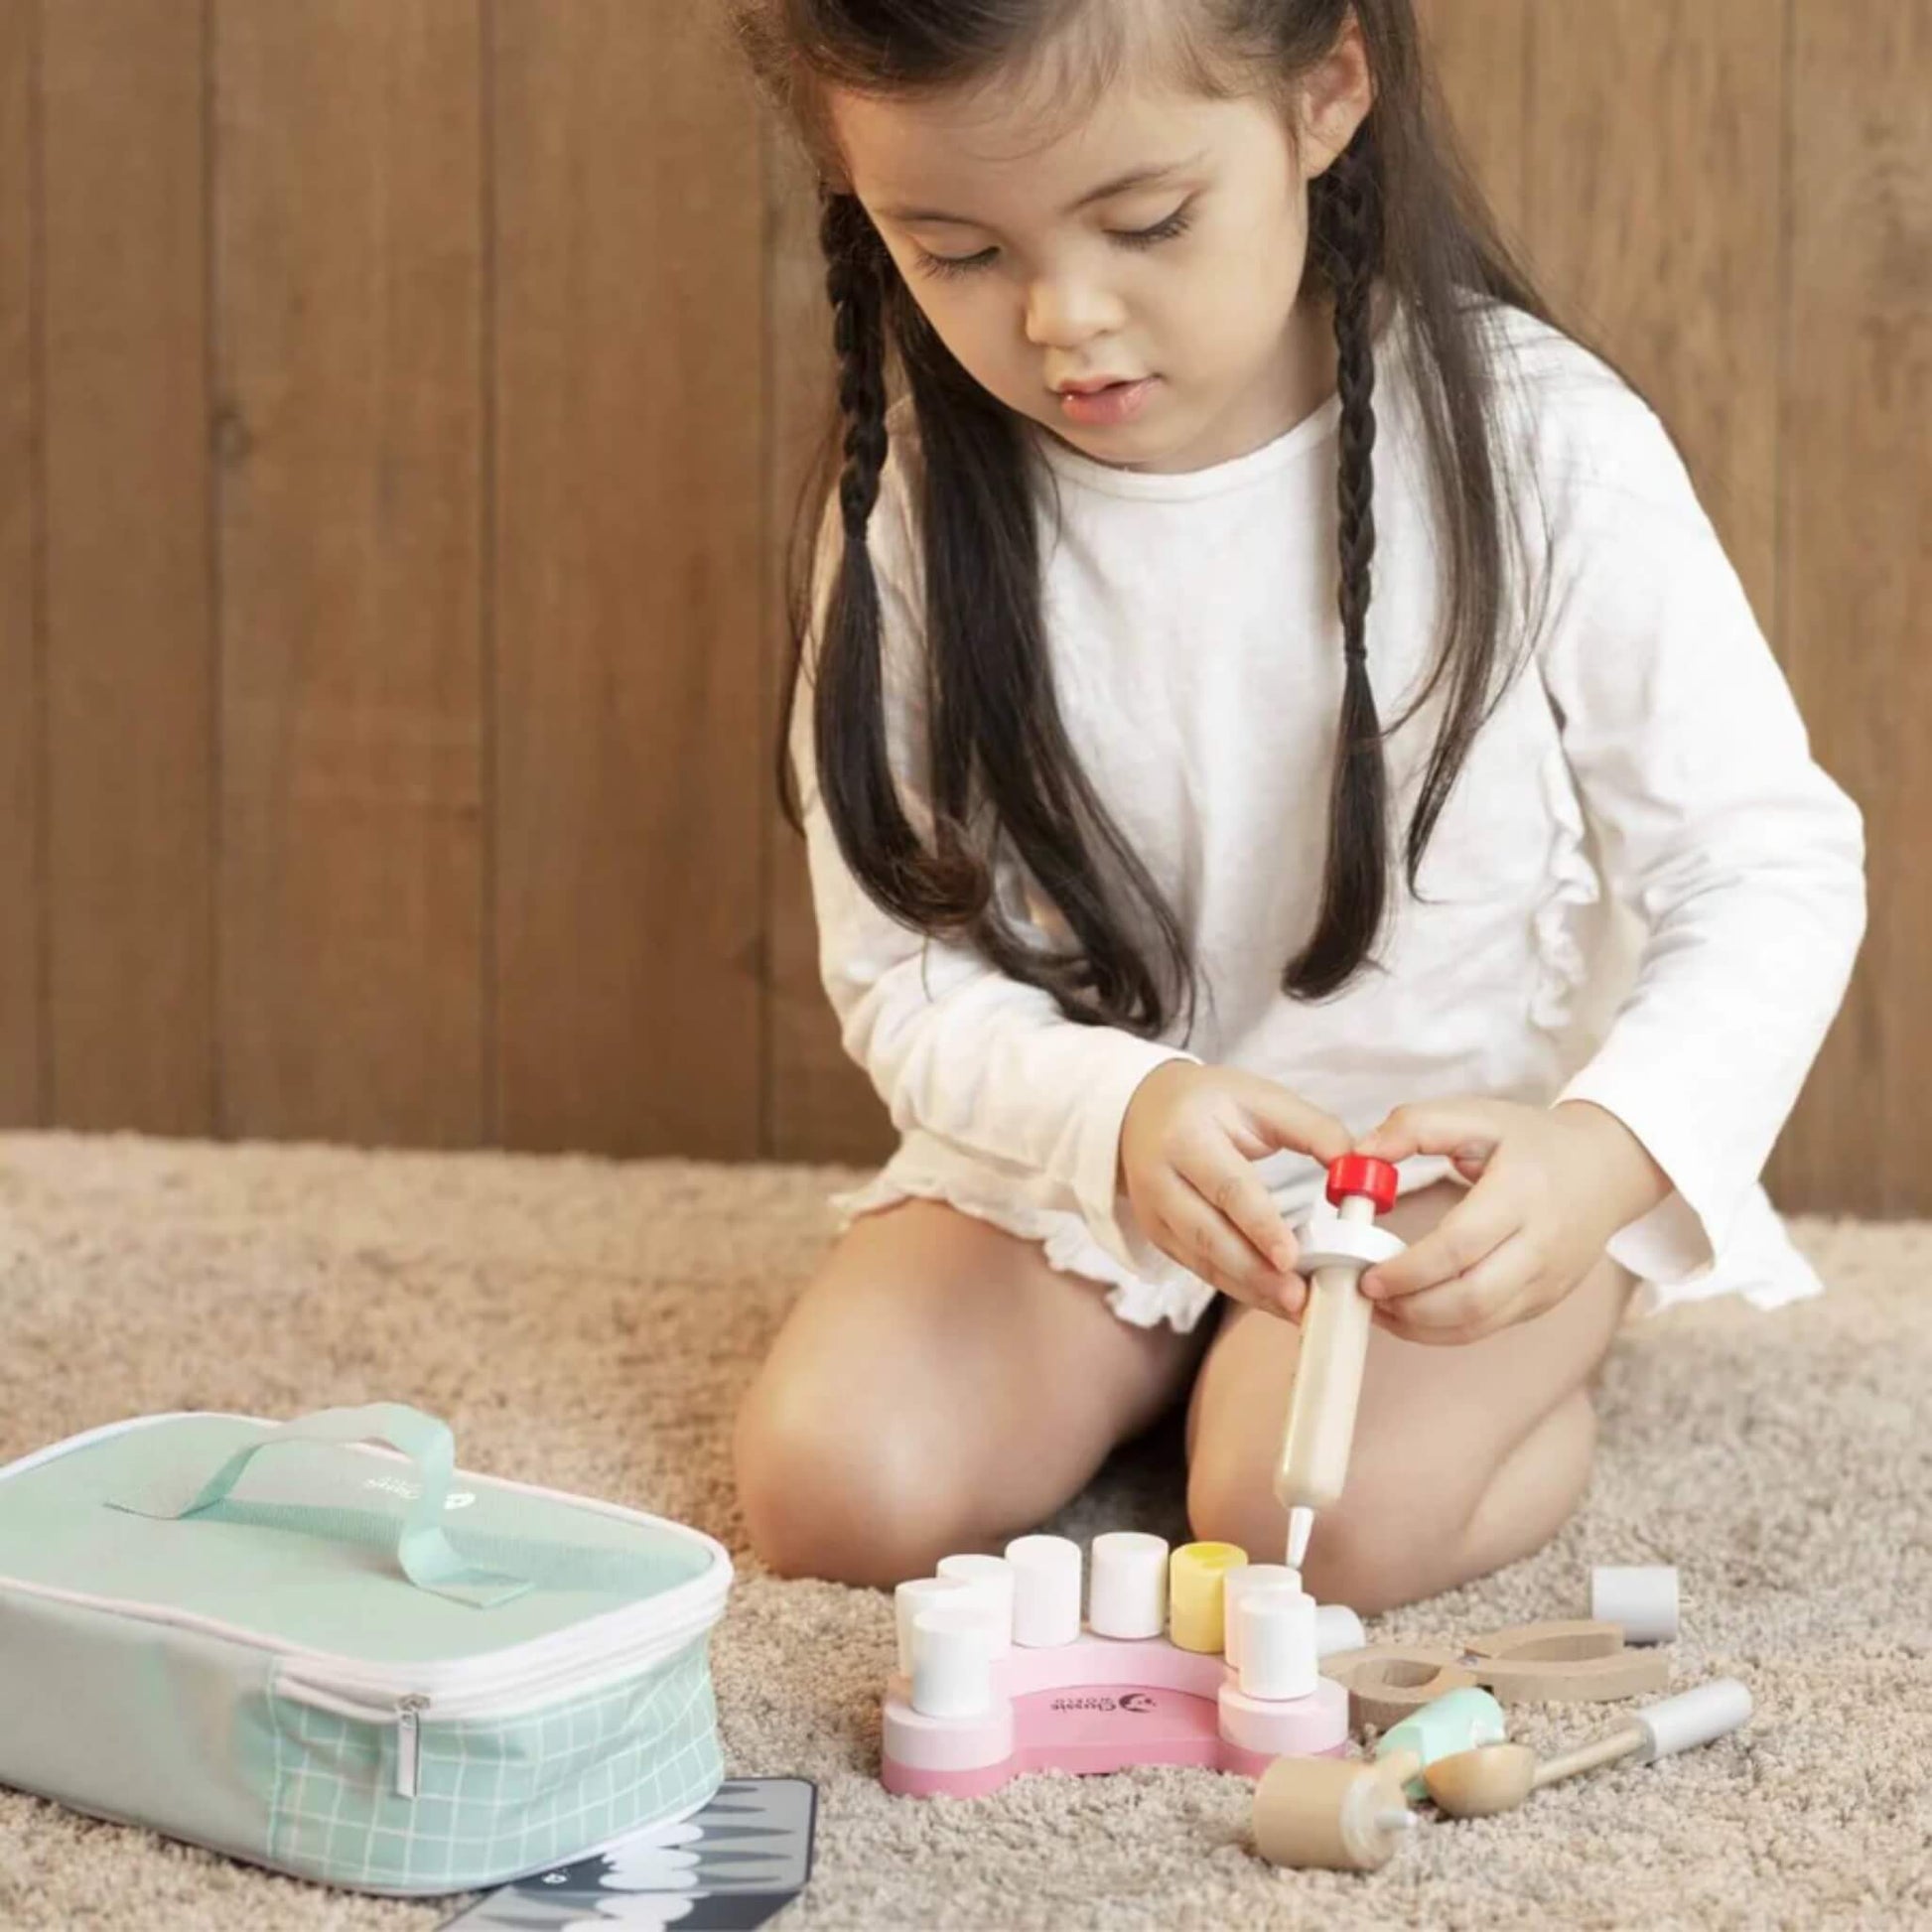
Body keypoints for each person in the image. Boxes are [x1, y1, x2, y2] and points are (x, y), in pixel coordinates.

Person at [728, 0, 1866, 1613]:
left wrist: (1605, 1156)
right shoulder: (915, 511)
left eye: (1146, 223)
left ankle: (1507, 1375)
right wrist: (1112, 1118)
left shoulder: (1545, 452)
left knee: (1301, 1523)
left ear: (1326, 89)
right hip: (1097, 1157)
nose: (1065, 318)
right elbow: (904, 969)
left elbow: (1767, 863)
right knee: (833, 1487)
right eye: (956, 250)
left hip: (1445, 1177)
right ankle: (1185, 1362)